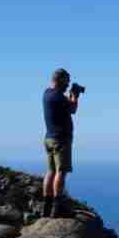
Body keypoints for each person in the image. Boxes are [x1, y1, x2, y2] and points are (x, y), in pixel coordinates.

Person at [42, 68, 80, 218]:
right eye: (66, 81)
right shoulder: (58, 96)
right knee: (61, 172)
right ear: (60, 80)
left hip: (49, 138)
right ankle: (57, 209)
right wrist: (75, 96)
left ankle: (46, 207)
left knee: (51, 171)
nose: (68, 84)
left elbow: (64, 105)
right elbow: (73, 109)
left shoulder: (47, 94)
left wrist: (69, 95)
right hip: (61, 139)